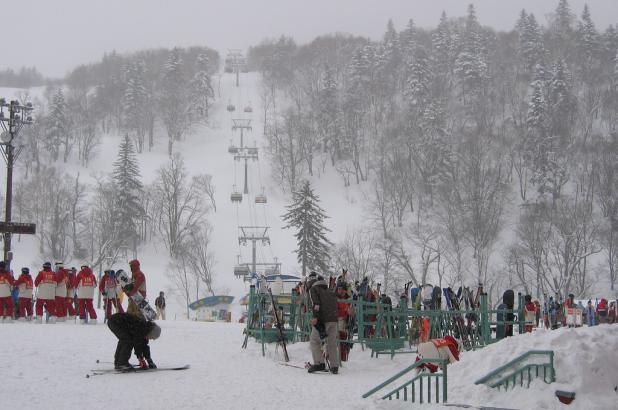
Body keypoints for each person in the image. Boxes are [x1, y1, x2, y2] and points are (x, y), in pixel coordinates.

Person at [307, 272, 339, 374]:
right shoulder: (329, 291)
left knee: (314, 341)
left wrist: (315, 317)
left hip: (323, 319)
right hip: (334, 319)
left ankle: (319, 363)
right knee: (332, 343)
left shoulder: (314, 289)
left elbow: (316, 304)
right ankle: (334, 366)